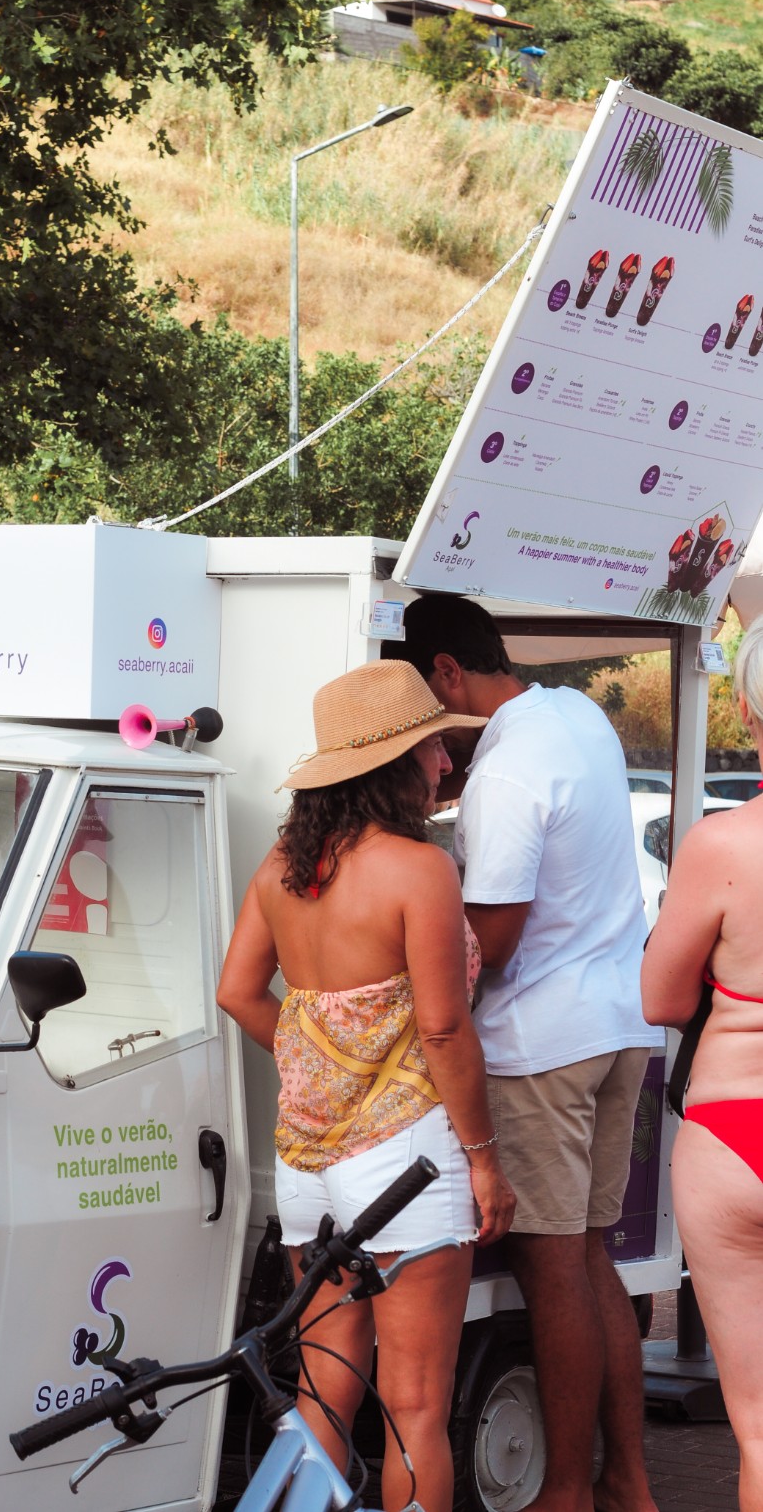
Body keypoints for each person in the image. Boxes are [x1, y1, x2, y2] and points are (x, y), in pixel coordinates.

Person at [216, 659, 515, 1512]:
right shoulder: (418, 871)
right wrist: (486, 1159)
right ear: (390, 764)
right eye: (430, 751)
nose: (445, 766)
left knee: (321, 1398)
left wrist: (322, 1058)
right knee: (416, 1406)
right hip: (408, 1159)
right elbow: (445, 1028)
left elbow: (237, 990)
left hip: (309, 1161)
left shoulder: (282, 868)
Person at [401, 592, 663, 1512]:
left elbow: (492, 939)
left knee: (552, 1267)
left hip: (541, 1043)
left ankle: (563, 1487)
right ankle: (625, 1478)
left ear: (446, 675)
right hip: (618, 1022)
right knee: (592, 1260)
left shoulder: (503, 774)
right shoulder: (577, 712)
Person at [642, 613, 763, 1512]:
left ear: (752, 716)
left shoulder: (720, 846)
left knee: (758, 1425)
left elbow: (661, 1000)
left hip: (731, 1124)